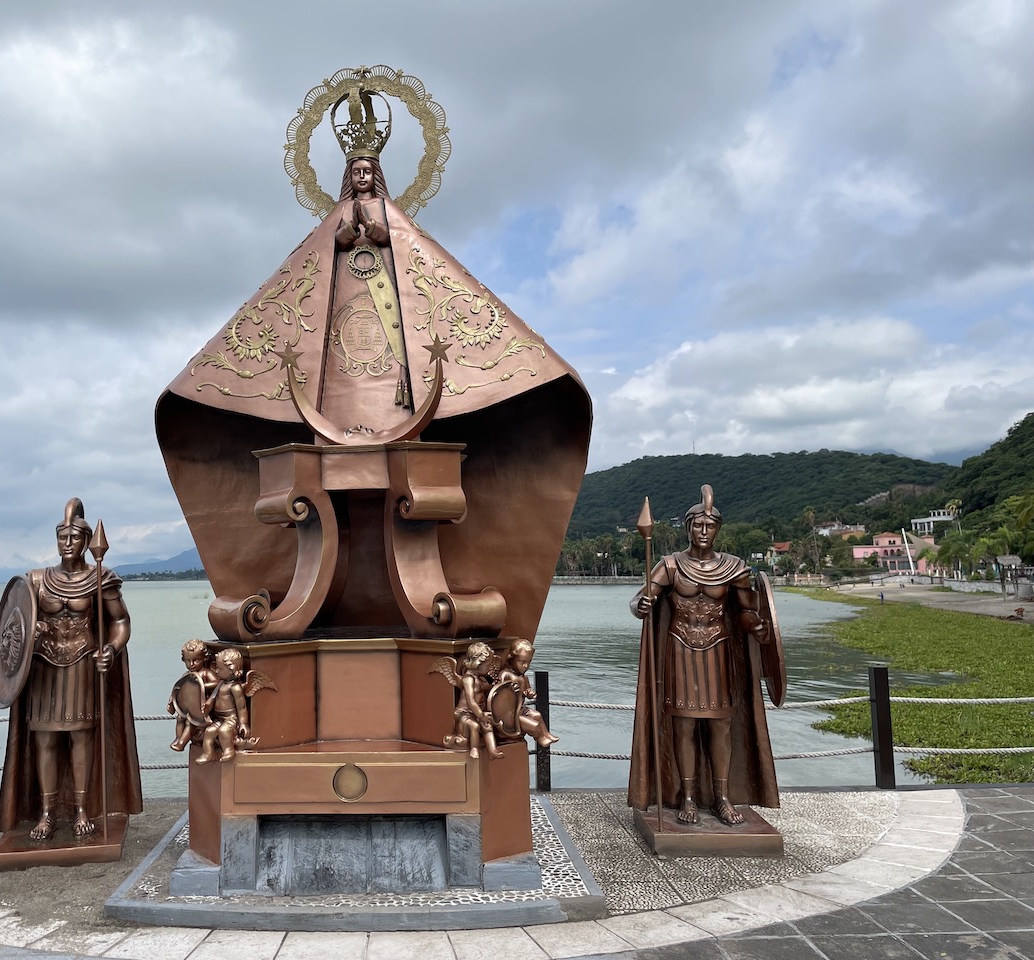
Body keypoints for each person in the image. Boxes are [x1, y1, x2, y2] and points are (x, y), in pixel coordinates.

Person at [154, 72, 591, 644]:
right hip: (332, 365)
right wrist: (344, 233)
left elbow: (406, 253)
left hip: (397, 355)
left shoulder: (395, 229)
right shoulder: (334, 230)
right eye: (355, 172)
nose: (361, 178)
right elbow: (318, 266)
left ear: (378, 175)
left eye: (368, 172)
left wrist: (380, 228)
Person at [627, 485, 782, 826]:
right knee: (683, 724)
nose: (703, 531)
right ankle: (687, 796)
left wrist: (757, 627)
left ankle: (722, 797)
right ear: (688, 528)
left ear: (717, 529)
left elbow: (746, 611)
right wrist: (642, 605)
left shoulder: (733, 567)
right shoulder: (670, 565)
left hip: (718, 649)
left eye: (709, 526)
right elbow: (640, 600)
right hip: (680, 649)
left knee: (720, 725)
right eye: (697, 525)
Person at [0, 498, 143, 841]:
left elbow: (121, 621)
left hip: (82, 666)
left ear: (87, 541)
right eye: (62, 537)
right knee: (45, 740)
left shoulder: (100, 577)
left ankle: (81, 810)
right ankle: (46, 813)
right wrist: (33, 633)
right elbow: (16, 625)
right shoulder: (36, 580)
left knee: (80, 738)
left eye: (74, 538)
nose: (67, 543)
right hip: (43, 670)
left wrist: (111, 648)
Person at [497, 639, 558, 749]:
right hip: (509, 713)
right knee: (534, 725)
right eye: (522, 662)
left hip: (520, 709)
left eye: (529, 662)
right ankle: (541, 738)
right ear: (512, 659)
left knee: (537, 715)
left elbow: (528, 692)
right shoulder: (506, 675)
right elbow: (498, 693)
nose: (526, 666)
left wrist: (530, 693)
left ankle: (546, 735)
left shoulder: (524, 677)